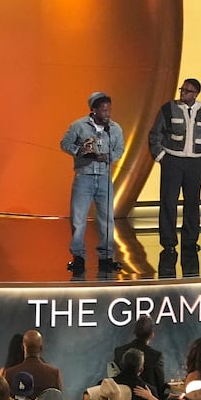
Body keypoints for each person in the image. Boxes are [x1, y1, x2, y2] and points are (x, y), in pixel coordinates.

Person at [148, 78, 201, 256]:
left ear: (196, 94)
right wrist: (161, 156)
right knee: (168, 202)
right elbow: (155, 134)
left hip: (195, 163)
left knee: (193, 202)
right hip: (172, 161)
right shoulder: (168, 108)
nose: (183, 93)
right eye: (182, 89)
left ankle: (190, 241)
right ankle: (169, 242)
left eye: (187, 91)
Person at [60, 92, 123, 272]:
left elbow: (119, 149)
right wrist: (80, 150)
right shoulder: (78, 126)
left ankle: (106, 258)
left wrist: (108, 156)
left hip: (104, 177)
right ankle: (78, 257)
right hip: (84, 177)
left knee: (107, 219)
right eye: (103, 110)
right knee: (79, 219)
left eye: (109, 109)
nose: (107, 113)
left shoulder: (115, 128)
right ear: (93, 110)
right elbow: (64, 144)